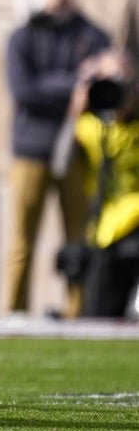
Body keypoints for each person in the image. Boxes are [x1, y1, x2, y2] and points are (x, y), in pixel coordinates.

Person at [4, 0, 111, 317]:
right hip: (31, 149)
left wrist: (75, 87)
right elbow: (24, 91)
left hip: (77, 150)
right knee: (22, 242)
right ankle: (15, 314)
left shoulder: (93, 36)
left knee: (79, 238)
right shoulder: (23, 36)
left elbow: (100, 93)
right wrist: (74, 85)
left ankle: (78, 314)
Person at [68, 49, 139, 317]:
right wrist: (76, 107)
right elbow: (60, 163)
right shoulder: (91, 127)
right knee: (98, 316)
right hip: (105, 230)